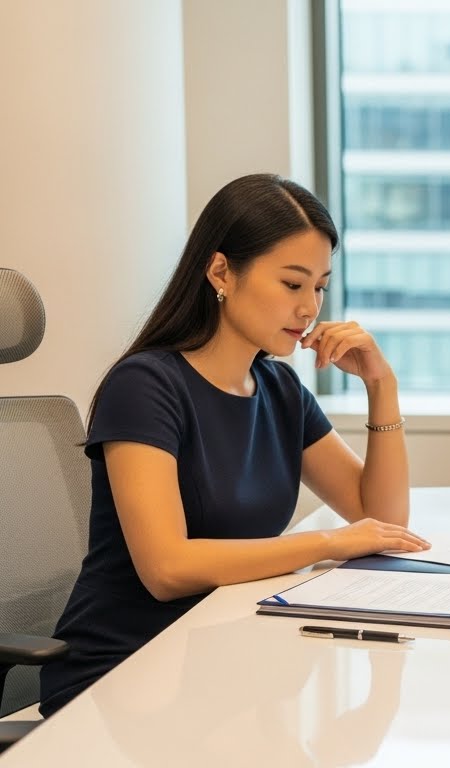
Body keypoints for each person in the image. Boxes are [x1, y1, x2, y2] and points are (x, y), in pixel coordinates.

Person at [39, 173, 430, 715]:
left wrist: (381, 386)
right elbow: (167, 569)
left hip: (222, 657)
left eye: (319, 286)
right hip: (126, 673)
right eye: (292, 284)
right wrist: (327, 543)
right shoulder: (145, 386)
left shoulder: (279, 388)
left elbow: (381, 522)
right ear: (221, 271)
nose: (310, 308)